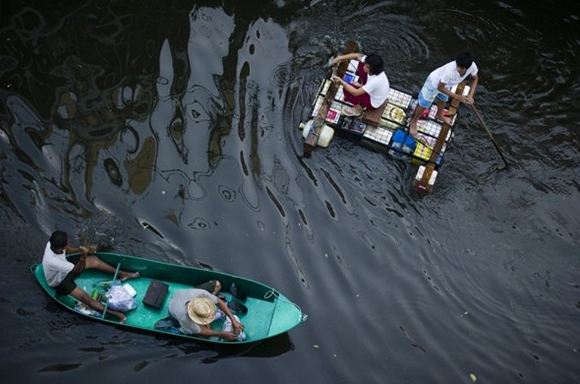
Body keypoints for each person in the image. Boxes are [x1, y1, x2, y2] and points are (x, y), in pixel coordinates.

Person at [42, 230, 139, 322]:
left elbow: (66, 250)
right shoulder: (54, 261)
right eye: (66, 244)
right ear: (59, 248)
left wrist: (81, 249)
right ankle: (118, 315)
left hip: (65, 269)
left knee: (94, 259)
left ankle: (122, 274)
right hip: (59, 281)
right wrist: (83, 257)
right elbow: (77, 270)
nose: (67, 244)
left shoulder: (51, 244)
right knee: (86, 298)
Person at [409, 51, 479, 137]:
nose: (458, 69)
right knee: (424, 104)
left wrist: (471, 95)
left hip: (447, 84)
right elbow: (440, 87)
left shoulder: (472, 66)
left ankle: (439, 115)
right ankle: (413, 121)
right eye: (458, 66)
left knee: (443, 99)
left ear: (467, 68)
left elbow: (475, 78)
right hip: (434, 83)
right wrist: (457, 97)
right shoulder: (449, 72)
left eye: (461, 68)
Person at [168, 280, 245, 341]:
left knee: (217, 284)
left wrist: (233, 320)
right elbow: (202, 331)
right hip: (173, 309)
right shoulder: (184, 317)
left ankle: (215, 315)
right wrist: (222, 334)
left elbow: (219, 301)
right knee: (206, 333)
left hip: (182, 295)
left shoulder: (200, 294)